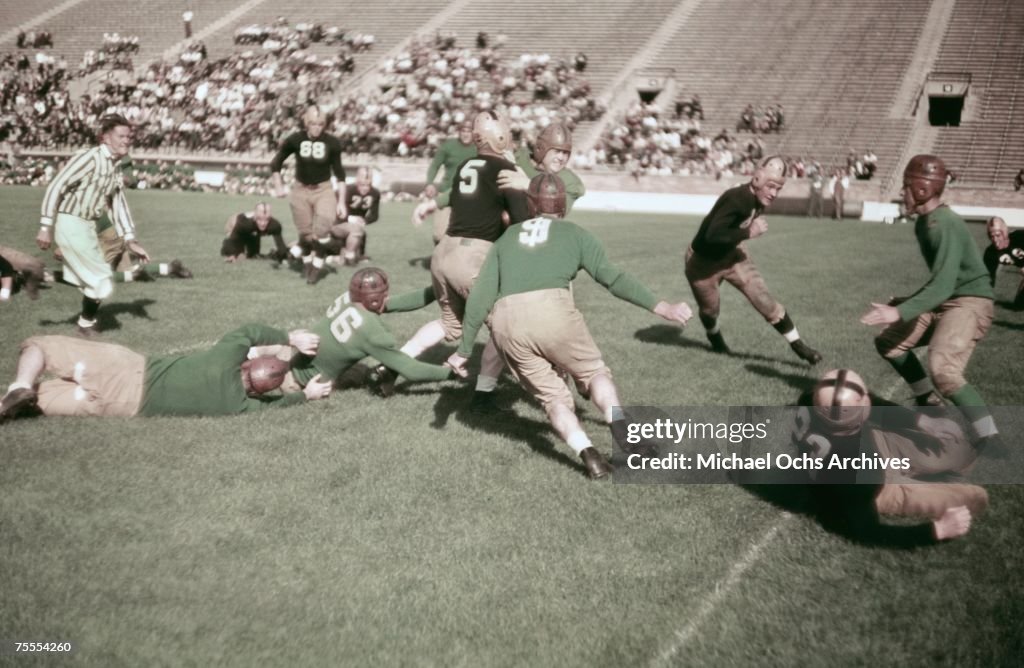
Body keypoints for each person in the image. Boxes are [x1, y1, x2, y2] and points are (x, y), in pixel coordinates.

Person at [447, 174, 694, 479]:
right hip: (552, 310)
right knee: (593, 374)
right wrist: (663, 307)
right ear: (562, 204)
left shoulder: (506, 238)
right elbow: (612, 278)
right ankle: (623, 431)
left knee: (553, 399)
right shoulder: (575, 233)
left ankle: (588, 455)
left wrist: (463, 349)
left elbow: (482, 295)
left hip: (506, 322)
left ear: (530, 205)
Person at [861, 154, 1002, 455]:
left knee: (944, 370)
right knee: (889, 343)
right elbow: (943, 280)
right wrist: (907, 303)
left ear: (922, 189)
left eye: (906, 186)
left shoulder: (942, 224)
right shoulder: (926, 222)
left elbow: (944, 284)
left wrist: (899, 311)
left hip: (970, 303)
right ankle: (927, 401)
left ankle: (991, 438)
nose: (903, 193)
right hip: (950, 299)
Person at [792, 368, 983, 545]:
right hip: (875, 487)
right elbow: (865, 531)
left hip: (872, 447)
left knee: (956, 451)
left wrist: (923, 422)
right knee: (974, 498)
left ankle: (923, 470)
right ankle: (911, 479)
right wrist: (937, 530)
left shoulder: (813, 400)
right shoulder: (856, 476)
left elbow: (865, 405)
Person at [0, 324, 333, 422]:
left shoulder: (222, 359)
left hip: (127, 372)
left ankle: (19, 385)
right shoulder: (237, 406)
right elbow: (277, 407)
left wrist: (290, 338)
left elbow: (248, 331)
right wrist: (305, 395)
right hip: (122, 409)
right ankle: (16, 402)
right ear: (257, 392)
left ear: (246, 364)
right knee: (39, 403)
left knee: (40, 346)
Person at [429, 110, 531, 411]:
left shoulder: (464, 165)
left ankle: (393, 367)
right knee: (506, 324)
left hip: (442, 255)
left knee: (451, 325)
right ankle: (486, 394)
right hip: (471, 257)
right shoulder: (504, 169)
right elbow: (521, 222)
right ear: (499, 137)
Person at [684, 155, 823, 364]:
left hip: (733, 255)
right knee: (710, 310)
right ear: (757, 179)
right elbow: (712, 235)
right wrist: (749, 232)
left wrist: (743, 235)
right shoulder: (737, 198)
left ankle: (798, 345)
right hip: (703, 263)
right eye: (771, 186)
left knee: (764, 298)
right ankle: (714, 336)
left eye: (778, 188)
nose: (774, 193)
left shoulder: (757, 198)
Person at [36, 114, 151, 336]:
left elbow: (118, 204)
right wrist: (45, 225)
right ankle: (85, 324)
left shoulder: (115, 166)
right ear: (105, 138)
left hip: (87, 226)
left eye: (129, 136)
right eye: (121, 136)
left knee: (95, 280)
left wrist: (130, 240)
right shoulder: (89, 157)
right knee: (101, 279)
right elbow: (56, 186)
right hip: (70, 221)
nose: (126, 140)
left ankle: (82, 322)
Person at [272, 268, 463, 393]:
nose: (387, 298)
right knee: (364, 377)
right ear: (374, 299)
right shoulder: (372, 331)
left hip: (291, 357)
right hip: (301, 383)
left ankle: (257, 352)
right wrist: (450, 374)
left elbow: (394, 304)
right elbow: (410, 370)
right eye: (384, 295)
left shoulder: (350, 298)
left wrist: (437, 290)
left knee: (357, 371)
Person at [270, 106, 347, 285]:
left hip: (323, 189)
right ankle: (306, 263)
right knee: (305, 234)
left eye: (320, 124)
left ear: (325, 124)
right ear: (306, 123)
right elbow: (276, 162)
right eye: (312, 123)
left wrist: (342, 202)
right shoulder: (295, 139)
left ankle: (317, 266)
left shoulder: (332, 142)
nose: (316, 127)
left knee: (322, 229)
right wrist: (278, 185)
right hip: (300, 190)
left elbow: (340, 173)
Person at [499, 122, 586, 214]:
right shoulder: (518, 158)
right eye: (557, 151)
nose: (561, 158)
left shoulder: (570, 181)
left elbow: (556, 214)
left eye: (565, 153)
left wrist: (530, 185)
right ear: (541, 148)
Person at [419, 120, 477, 242]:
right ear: (459, 132)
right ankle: (438, 258)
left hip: (469, 195)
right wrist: (429, 182)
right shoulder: (448, 146)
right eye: (463, 131)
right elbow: (435, 165)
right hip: (446, 192)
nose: (466, 134)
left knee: (466, 235)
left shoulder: (479, 148)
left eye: (469, 131)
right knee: (439, 234)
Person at [326, 166, 381, 265]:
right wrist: (350, 218)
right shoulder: (346, 190)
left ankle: (337, 258)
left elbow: (374, 215)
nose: (365, 188)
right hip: (336, 223)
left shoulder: (375, 193)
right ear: (357, 180)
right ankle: (348, 256)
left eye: (368, 185)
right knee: (356, 230)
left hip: (354, 228)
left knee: (357, 232)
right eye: (362, 184)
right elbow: (330, 209)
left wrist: (364, 220)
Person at [222, 201, 288, 263]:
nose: (263, 223)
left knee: (253, 255)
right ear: (255, 217)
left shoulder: (275, 225)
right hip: (234, 223)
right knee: (238, 254)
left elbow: (281, 245)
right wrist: (232, 254)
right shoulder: (244, 222)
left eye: (267, 220)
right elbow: (234, 238)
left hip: (253, 230)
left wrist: (283, 258)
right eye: (259, 219)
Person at [982, 216, 1024, 309]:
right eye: (992, 236)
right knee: (1018, 307)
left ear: (1004, 233)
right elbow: (988, 278)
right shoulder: (990, 253)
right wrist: (986, 297)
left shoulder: (1020, 237)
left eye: (998, 235)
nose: (995, 240)